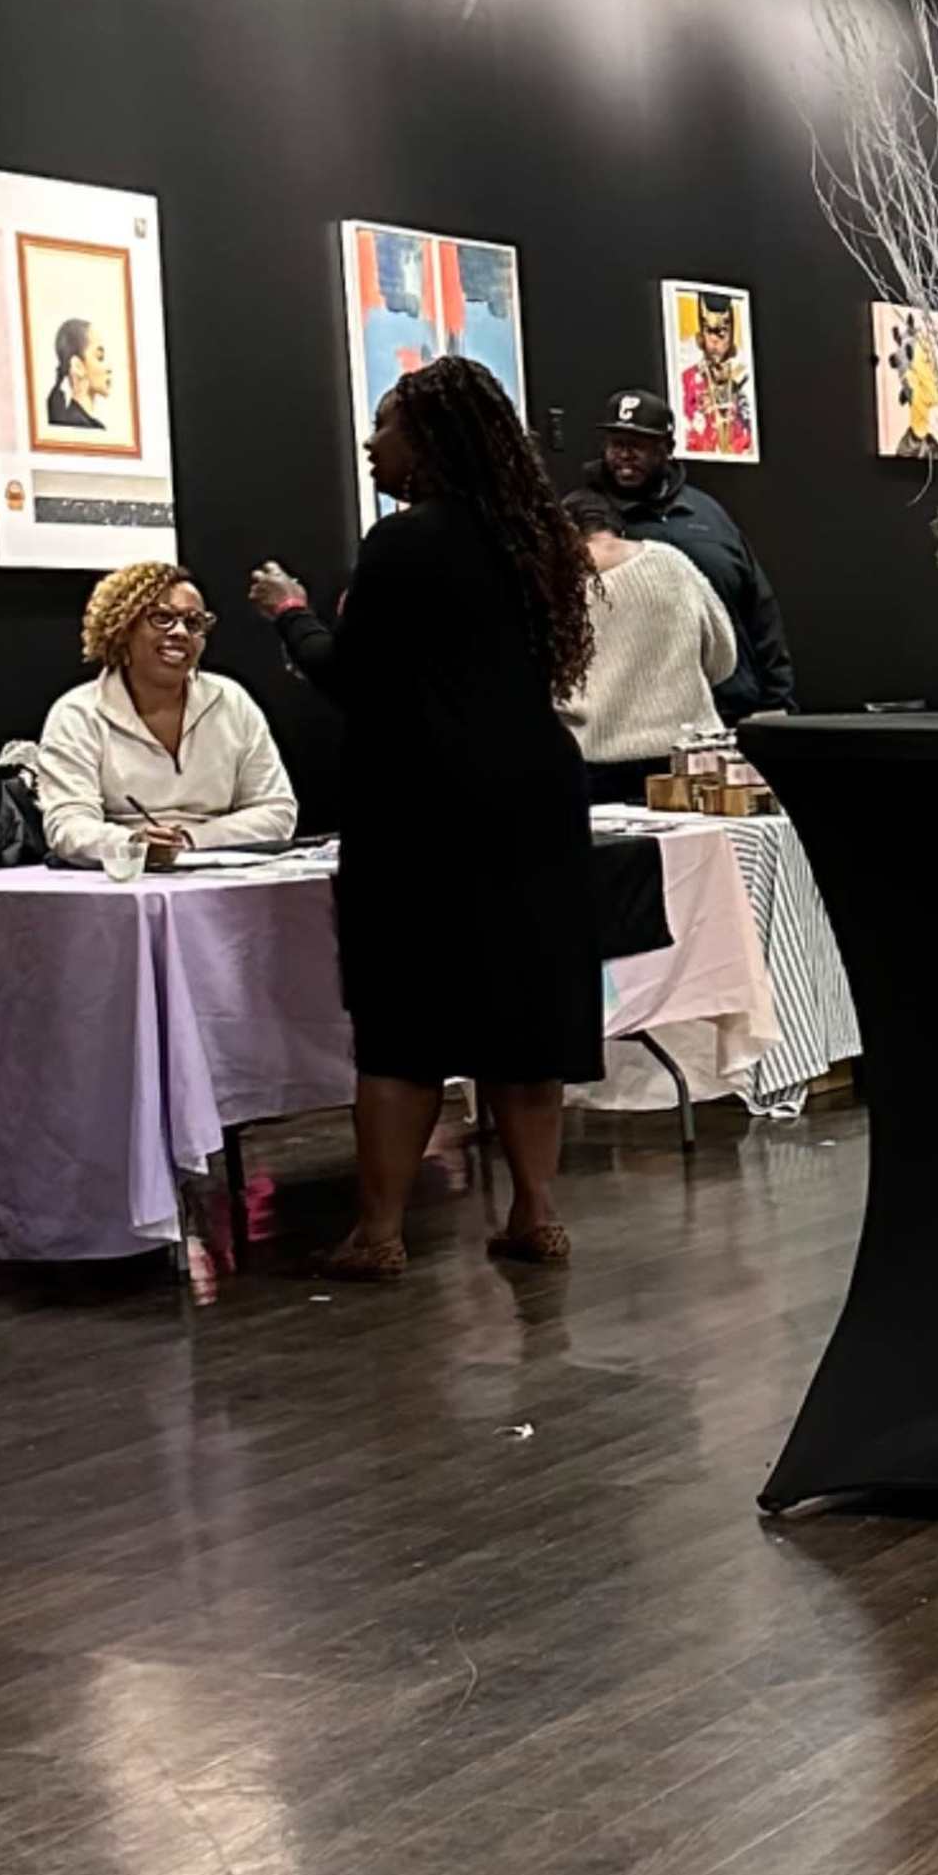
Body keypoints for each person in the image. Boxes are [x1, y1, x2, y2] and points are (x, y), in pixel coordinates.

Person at [248, 357, 598, 1278]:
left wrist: (291, 616)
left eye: (385, 425)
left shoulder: (404, 545)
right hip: (533, 798)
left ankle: (380, 1231)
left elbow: (353, 678)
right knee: (526, 1019)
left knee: (404, 1021)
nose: (371, 442)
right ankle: (536, 1214)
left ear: (431, 439)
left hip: (424, 811)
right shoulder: (539, 544)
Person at [31, 565, 300, 875]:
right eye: (162, 618)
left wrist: (189, 841)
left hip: (226, 873)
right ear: (122, 627)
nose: (180, 632)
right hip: (121, 881)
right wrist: (133, 843)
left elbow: (277, 812)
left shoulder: (231, 700)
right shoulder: (78, 712)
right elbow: (67, 825)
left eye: (194, 622)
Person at [590, 390, 793, 718]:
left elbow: (759, 607)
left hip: (730, 709)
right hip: (640, 722)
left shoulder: (707, 512)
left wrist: (777, 699)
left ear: (666, 450)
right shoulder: (588, 520)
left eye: (637, 445)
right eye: (616, 443)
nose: (624, 455)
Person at [558, 488, 735, 800]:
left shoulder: (554, 587)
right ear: (619, 527)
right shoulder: (672, 563)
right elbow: (723, 658)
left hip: (593, 763)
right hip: (689, 761)